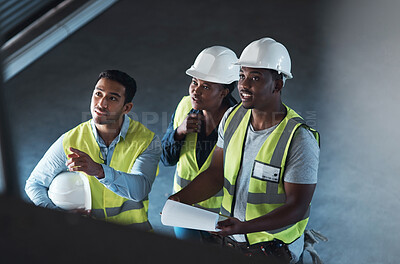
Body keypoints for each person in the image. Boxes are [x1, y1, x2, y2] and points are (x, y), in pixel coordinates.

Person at [169, 38, 320, 264]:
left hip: (274, 251)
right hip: (232, 244)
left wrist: (245, 227)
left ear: (277, 85)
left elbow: (296, 207)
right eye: (242, 76)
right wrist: (180, 199)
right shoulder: (232, 118)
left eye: (255, 78)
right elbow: (215, 173)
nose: (243, 85)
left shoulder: (298, 138)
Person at [25, 70, 161, 231]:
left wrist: (99, 171)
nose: (101, 103)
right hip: (88, 238)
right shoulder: (71, 140)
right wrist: (58, 216)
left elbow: (140, 190)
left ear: (127, 108)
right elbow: (34, 184)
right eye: (98, 93)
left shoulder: (147, 141)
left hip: (134, 238)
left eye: (112, 98)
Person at [161, 46, 239, 241]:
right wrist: (179, 132)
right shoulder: (185, 106)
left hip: (221, 220)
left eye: (206, 86)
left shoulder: (240, 123)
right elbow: (165, 158)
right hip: (184, 213)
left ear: (223, 92)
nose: (195, 91)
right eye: (194, 82)